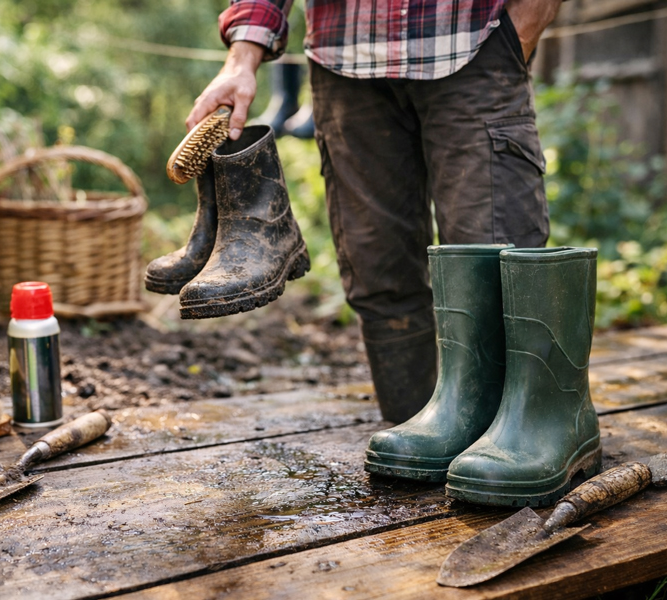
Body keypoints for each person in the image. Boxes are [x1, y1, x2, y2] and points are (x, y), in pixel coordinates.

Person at [186, 0, 560, 423]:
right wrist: (242, 58)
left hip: (474, 42)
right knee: (377, 270)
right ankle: (412, 433)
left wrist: (523, 27)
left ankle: (518, 445)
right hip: (343, 59)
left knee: (496, 269)